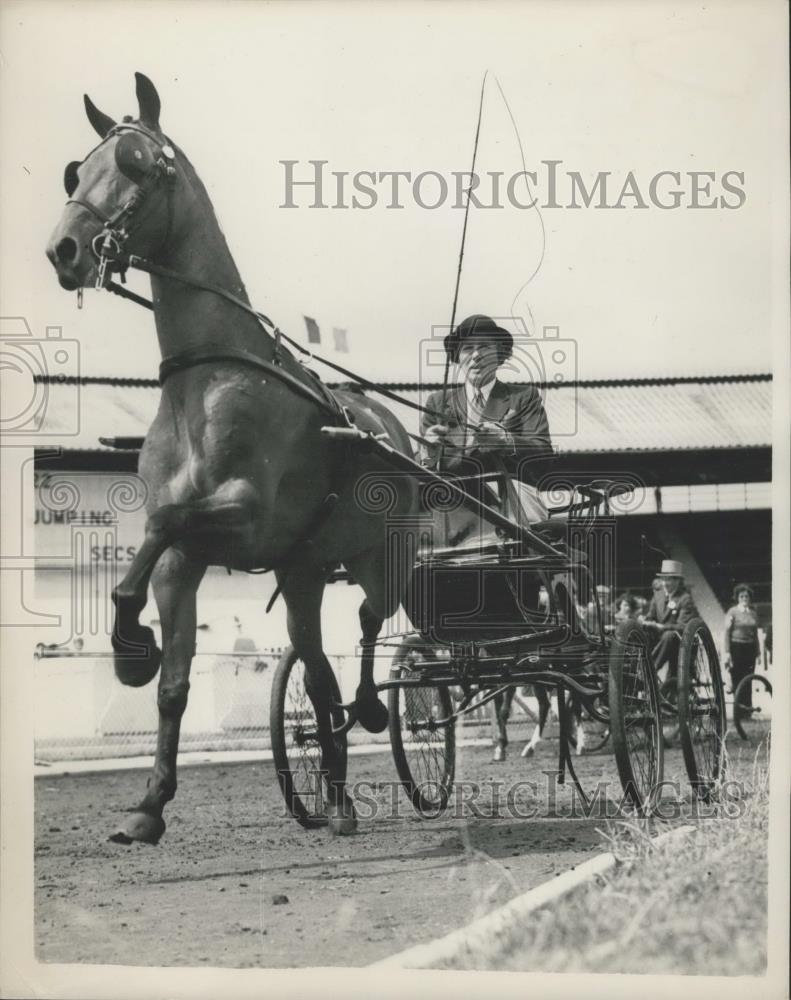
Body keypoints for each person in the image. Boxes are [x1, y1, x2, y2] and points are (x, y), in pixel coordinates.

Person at [421, 314, 553, 530]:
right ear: (457, 357)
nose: (475, 356)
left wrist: (506, 440)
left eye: (484, 347)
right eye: (467, 348)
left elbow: (543, 456)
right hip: (454, 500)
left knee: (521, 533)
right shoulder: (437, 402)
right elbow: (426, 472)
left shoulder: (524, 396)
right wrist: (427, 454)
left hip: (510, 495)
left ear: (499, 354)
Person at [640, 559, 699, 677]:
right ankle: (636, 667)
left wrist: (661, 627)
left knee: (669, 635)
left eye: (669, 580)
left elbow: (682, 627)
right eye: (663, 579)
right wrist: (645, 621)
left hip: (679, 641)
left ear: (677, 581)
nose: (665, 583)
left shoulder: (685, 599)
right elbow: (651, 616)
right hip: (659, 639)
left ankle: (649, 671)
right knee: (642, 632)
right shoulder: (658, 596)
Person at [723, 584, 760, 719]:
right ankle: (738, 713)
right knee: (737, 679)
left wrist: (758, 651)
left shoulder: (753, 613)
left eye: (747, 596)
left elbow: (755, 634)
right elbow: (727, 633)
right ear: (737, 598)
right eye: (742, 596)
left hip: (750, 649)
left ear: (750, 598)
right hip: (736, 648)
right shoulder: (732, 612)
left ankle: (748, 712)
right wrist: (727, 652)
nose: (744, 598)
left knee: (748, 679)